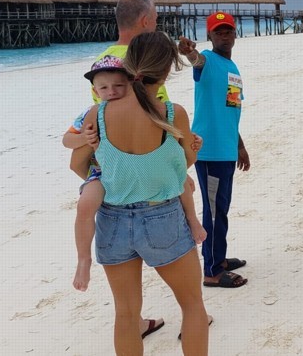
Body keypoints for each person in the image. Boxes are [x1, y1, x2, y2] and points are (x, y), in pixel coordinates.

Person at [72, 32, 210, 355]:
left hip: (112, 220)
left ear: (129, 63)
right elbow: (185, 164)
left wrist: (115, 176)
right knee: (192, 305)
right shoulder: (172, 113)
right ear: (167, 69)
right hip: (162, 217)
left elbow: (78, 165)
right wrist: (192, 148)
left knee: (126, 315)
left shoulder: (97, 114)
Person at [64, 55, 206, 293]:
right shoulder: (91, 114)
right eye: (104, 88)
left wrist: (193, 141)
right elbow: (67, 140)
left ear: (131, 83)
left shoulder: (142, 110)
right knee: (85, 206)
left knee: (182, 182)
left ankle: (193, 221)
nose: (111, 91)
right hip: (101, 172)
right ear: (95, 91)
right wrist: (84, 139)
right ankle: (83, 259)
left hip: (132, 184)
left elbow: (176, 144)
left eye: (118, 85)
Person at [177, 12, 251, 288]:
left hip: (226, 149)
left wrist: (239, 145)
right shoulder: (207, 60)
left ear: (235, 34)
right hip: (209, 152)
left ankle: (219, 258)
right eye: (218, 31)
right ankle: (212, 271)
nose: (224, 35)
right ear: (209, 36)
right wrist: (190, 52)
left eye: (228, 30)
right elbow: (196, 60)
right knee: (213, 212)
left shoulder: (232, 68)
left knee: (221, 209)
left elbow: (231, 110)